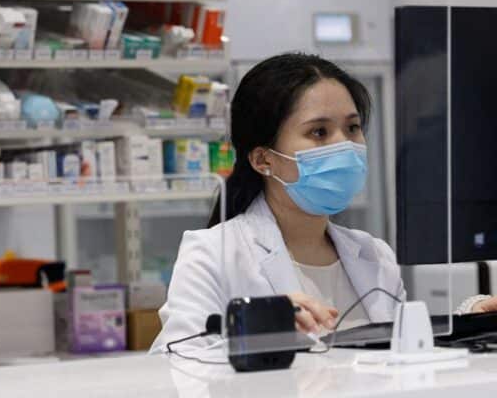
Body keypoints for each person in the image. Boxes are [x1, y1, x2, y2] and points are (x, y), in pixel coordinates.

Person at [151, 53, 497, 352]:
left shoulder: (373, 254)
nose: (344, 146)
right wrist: (254, 328)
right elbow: (172, 361)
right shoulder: (213, 253)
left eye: (352, 128)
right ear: (262, 159)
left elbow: (401, 355)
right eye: (319, 132)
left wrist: (472, 321)